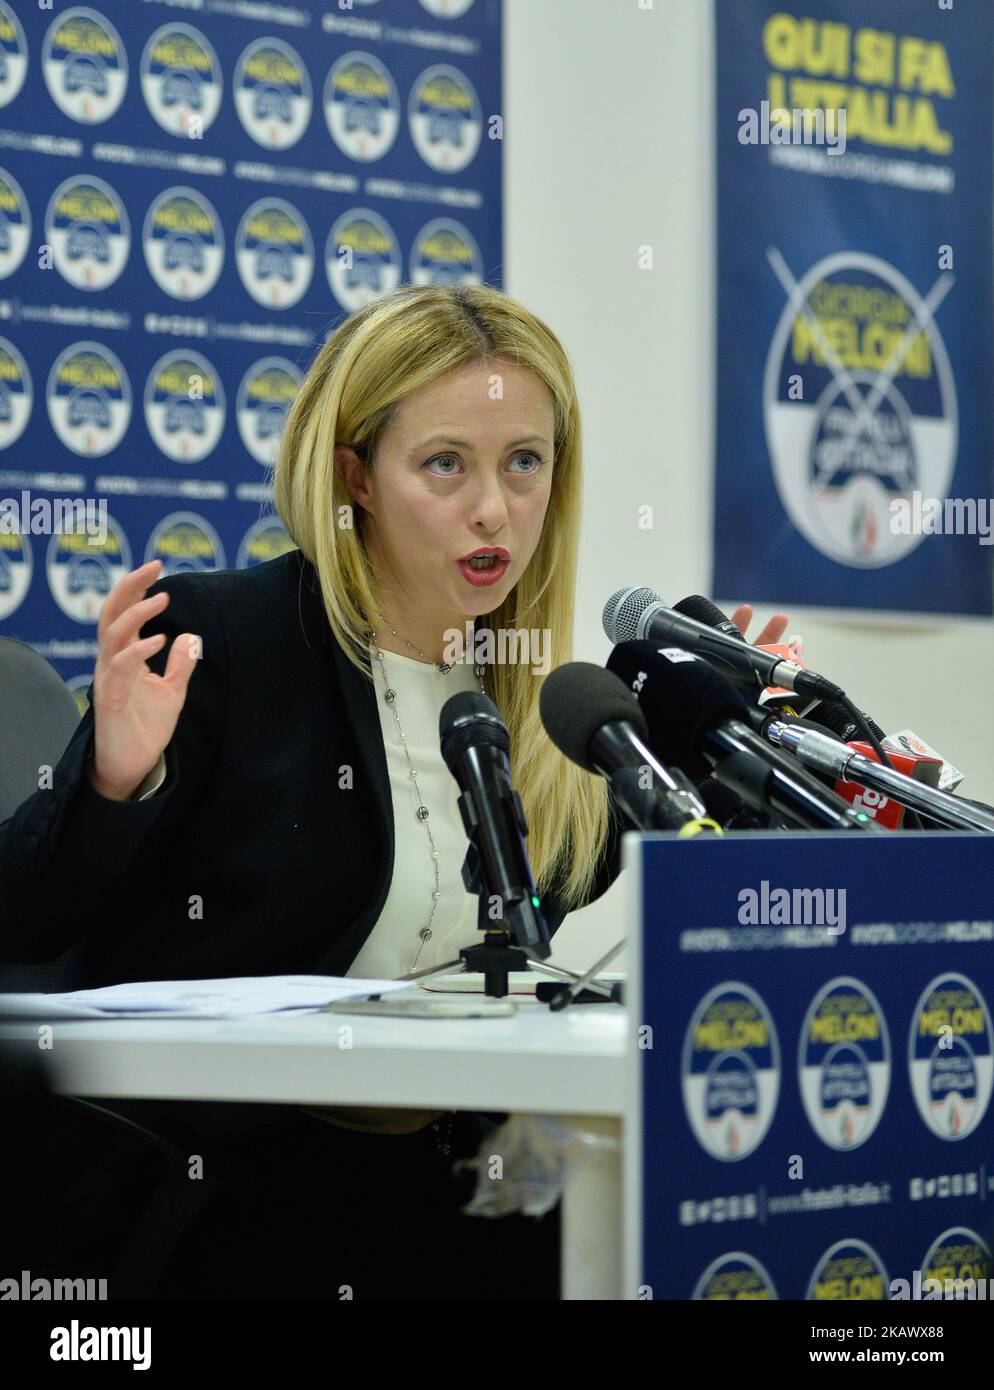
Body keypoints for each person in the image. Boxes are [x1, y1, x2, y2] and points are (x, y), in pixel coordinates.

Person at [0, 283, 787, 1298]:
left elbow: (573, 868)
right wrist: (115, 783)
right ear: (354, 476)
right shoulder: (222, 641)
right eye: (445, 464)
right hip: (211, 1201)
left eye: (524, 463)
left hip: (442, 1188)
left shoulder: (527, 697)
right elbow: (27, 915)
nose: (494, 509)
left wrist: (736, 757)